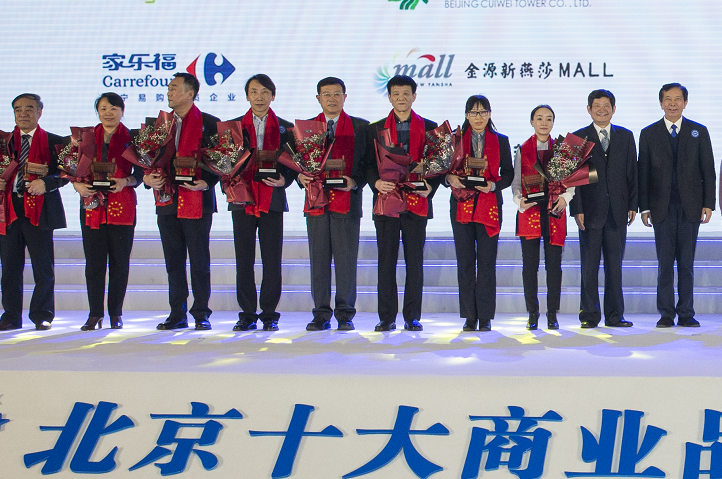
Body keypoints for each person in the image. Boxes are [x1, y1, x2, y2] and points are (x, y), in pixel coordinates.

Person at [144, 73, 219, 331]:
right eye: (168, 88)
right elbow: (148, 159)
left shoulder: (210, 123)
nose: (169, 92)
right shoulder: (160, 125)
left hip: (197, 198)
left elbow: (221, 162)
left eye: (174, 88)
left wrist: (206, 182)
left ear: (190, 93)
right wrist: (147, 178)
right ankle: (177, 313)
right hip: (167, 199)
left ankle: (201, 313)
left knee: (199, 260)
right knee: (173, 261)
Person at [638, 83, 715, 327]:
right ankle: (666, 314)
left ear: (685, 103)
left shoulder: (698, 131)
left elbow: (708, 170)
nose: (673, 103)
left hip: (691, 207)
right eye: (668, 99)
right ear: (661, 103)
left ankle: (686, 313)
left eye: (678, 99)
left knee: (686, 264)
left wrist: (708, 203)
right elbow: (643, 174)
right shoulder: (648, 133)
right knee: (665, 264)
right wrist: (644, 207)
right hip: (661, 208)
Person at [366, 75, 439, 332]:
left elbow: (438, 165)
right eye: (396, 94)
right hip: (387, 202)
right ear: (389, 97)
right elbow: (367, 164)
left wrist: (431, 187)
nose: (401, 98)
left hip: (416, 202)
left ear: (414, 96)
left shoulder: (430, 128)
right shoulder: (375, 129)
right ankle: (386, 317)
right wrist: (376, 182)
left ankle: (412, 316)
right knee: (386, 262)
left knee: (414, 262)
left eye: (406, 94)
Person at [301, 77, 368, 331]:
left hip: (347, 201)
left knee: (346, 260)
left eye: (337, 94)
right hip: (316, 202)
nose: (332, 99)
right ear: (318, 98)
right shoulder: (307, 128)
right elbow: (300, 163)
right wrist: (299, 177)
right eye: (326, 94)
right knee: (318, 260)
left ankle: (345, 313)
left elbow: (368, 164)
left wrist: (355, 181)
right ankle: (320, 313)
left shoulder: (360, 127)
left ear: (345, 97)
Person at [72, 93, 144, 330]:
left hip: (121, 205)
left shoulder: (133, 138)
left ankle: (115, 313)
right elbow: (72, 169)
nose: (108, 113)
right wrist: (76, 184)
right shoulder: (85, 138)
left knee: (119, 263)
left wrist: (126, 181)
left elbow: (142, 173)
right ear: (98, 112)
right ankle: (95, 314)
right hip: (92, 205)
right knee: (94, 264)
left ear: (122, 111)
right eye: (103, 108)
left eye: (113, 108)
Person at [229, 74, 295, 332]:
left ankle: (269, 314)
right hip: (242, 199)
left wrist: (285, 180)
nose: (259, 97)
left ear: (273, 96)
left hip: (272, 199)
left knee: (272, 259)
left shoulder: (287, 128)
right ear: (247, 96)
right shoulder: (234, 127)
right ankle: (246, 314)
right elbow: (225, 161)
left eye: (265, 92)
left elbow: (295, 162)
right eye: (254, 91)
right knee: (244, 260)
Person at [570, 90, 637, 328]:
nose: (602, 110)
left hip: (618, 211)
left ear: (614, 109)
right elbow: (572, 179)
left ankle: (615, 315)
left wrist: (633, 204)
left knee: (614, 267)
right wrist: (576, 208)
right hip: (589, 212)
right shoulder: (577, 138)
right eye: (596, 105)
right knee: (589, 267)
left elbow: (632, 173)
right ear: (589, 109)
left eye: (606, 105)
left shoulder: (626, 136)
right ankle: (589, 315)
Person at [445, 95, 513, 332]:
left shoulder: (501, 140)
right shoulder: (455, 141)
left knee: (486, 263)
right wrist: (449, 178)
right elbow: (442, 170)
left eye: (483, 112)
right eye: (473, 112)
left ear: (489, 114)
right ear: (466, 115)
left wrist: (493, 185)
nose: (478, 117)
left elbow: (508, 173)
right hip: (461, 205)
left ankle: (485, 316)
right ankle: (469, 316)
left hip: (489, 204)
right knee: (465, 262)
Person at [0, 93, 65, 331]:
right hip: (9, 209)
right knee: (9, 266)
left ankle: (42, 314)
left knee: (43, 266)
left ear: (39, 112)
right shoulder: (4, 142)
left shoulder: (54, 141)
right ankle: (10, 315)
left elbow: (66, 173)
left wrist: (46, 183)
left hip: (40, 209)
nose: (23, 114)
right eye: (18, 110)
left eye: (29, 109)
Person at [512, 105, 575, 330]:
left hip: (554, 212)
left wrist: (566, 197)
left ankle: (552, 314)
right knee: (530, 267)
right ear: (532, 122)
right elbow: (516, 182)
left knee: (554, 267)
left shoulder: (561, 149)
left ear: (553, 123)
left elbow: (571, 181)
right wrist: (519, 201)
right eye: (539, 118)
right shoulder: (523, 149)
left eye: (548, 119)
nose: (544, 123)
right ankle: (532, 313)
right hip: (530, 212)